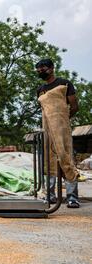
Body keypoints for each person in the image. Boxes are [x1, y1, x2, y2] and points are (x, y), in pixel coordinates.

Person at [36, 59, 80, 209]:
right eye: (38, 69)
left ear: (52, 68)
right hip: (47, 129)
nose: (40, 71)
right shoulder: (40, 89)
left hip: (62, 128)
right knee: (49, 160)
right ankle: (50, 196)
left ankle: (72, 197)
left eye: (43, 68)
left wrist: (62, 121)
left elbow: (74, 106)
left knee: (66, 157)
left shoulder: (64, 83)